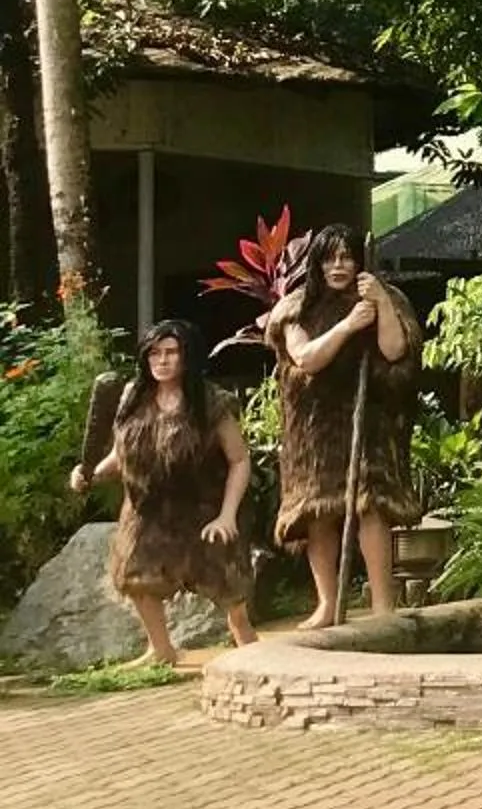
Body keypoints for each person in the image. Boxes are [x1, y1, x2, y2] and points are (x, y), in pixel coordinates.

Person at [69, 320, 255, 665]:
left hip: (204, 504)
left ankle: (244, 637)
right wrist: (91, 476)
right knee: (136, 572)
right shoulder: (132, 398)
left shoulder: (211, 402)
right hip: (148, 508)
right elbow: (120, 456)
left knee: (226, 579)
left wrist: (227, 514)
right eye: (155, 352)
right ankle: (160, 649)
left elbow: (240, 459)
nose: (162, 360)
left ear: (187, 357)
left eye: (171, 352)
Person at [262, 223, 419, 625]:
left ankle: (384, 604)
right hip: (315, 427)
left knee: (370, 508)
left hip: (365, 421)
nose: (339, 266)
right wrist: (349, 325)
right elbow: (306, 359)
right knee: (319, 512)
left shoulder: (385, 297)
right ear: (317, 263)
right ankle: (327, 603)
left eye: (347, 257)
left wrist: (380, 301)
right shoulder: (296, 307)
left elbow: (395, 349)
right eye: (331, 258)